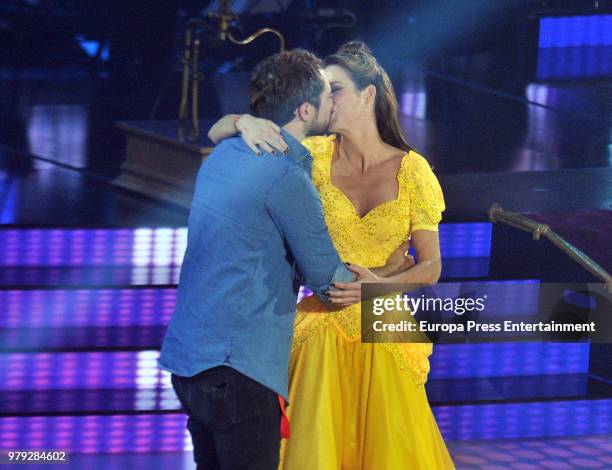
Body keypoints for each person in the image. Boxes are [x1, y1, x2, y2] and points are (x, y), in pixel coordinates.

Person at [208, 41, 455, 469]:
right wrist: (244, 121)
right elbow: (215, 134)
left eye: (334, 88)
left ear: (368, 95)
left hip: (384, 331)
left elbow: (430, 266)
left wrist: (380, 284)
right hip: (319, 328)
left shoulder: (413, 171)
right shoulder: (312, 157)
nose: (323, 99)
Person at [158, 49, 407, 470]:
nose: (334, 102)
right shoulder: (285, 178)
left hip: (189, 363)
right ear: (306, 109)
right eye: (329, 94)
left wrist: (239, 122)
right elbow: (331, 286)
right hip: (237, 372)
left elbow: (220, 133)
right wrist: (391, 272)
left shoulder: (224, 155)